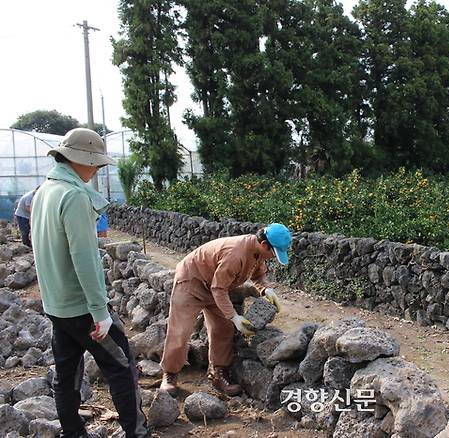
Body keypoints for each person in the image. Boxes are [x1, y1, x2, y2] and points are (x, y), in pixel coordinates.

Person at [31, 128, 149, 438]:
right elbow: (84, 259)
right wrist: (100, 311)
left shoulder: (44, 191)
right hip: (82, 306)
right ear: (79, 160)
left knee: (67, 372)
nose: (97, 170)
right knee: (121, 367)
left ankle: (73, 432)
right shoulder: (73, 196)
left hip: (57, 304)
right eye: (95, 163)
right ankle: (137, 433)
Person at [159, 223, 292, 397]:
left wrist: (266, 289)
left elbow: (258, 275)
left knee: (223, 329)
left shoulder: (258, 252)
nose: (273, 257)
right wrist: (235, 317)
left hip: (216, 285)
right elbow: (218, 289)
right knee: (180, 330)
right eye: (273, 253)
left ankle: (218, 373)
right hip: (192, 282)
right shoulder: (235, 254)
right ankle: (170, 374)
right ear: (264, 245)